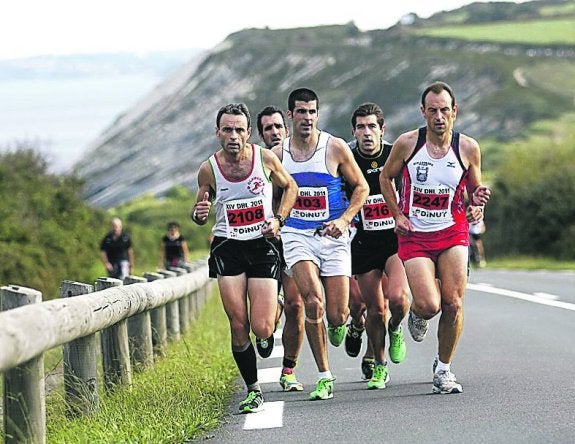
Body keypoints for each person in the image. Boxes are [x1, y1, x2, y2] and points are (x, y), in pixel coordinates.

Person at [379, 81, 491, 394]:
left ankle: (443, 370)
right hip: (414, 234)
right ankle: (418, 314)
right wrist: (397, 214)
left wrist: (477, 206)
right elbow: (385, 177)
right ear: (423, 112)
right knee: (430, 304)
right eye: (432, 111)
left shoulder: (468, 148)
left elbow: (474, 191)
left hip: (452, 231)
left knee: (453, 303)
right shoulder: (407, 143)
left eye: (444, 110)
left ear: (455, 111)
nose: (439, 117)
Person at [191, 103, 298, 413]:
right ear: (218, 132)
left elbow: (291, 187)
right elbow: (199, 211)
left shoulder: (265, 159)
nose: (233, 136)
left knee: (262, 327)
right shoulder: (208, 169)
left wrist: (279, 219)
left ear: (249, 133)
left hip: (262, 244)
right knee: (238, 324)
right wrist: (199, 214)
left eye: (239, 130)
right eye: (227, 130)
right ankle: (253, 390)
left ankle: (274, 309)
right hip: (228, 246)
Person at [277, 88, 369, 400]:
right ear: (290, 115)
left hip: (333, 236)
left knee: (337, 314)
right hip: (296, 235)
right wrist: (277, 220)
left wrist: (344, 220)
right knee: (313, 301)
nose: (307, 118)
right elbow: (269, 194)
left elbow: (361, 187)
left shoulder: (335, 147)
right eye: (301, 112)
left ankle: (343, 325)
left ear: (318, 114)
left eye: (312, 112)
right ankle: (324, 376)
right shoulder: (278, 154)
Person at [344, 103, 411, 389]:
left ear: (382, 129)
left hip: (394, 240)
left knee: (398, 299)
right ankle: (380, 366)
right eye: (361, 127)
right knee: (373, 309)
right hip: (363, 242)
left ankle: (396, 327)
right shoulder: (347, 159)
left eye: (372, 126)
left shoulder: (396, 154)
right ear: (354, 132)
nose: (366, 132)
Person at [256, 105, 305, 391]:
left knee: (296, 305)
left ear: (286, 129)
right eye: (268, 128)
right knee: (269, 311)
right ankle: (265, 330)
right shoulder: (257, 164)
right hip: (263, 243)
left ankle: (288, 370)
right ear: (261, 135)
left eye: (278, 127)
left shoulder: (300, 158)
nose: (274, 132)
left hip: (295, 239)